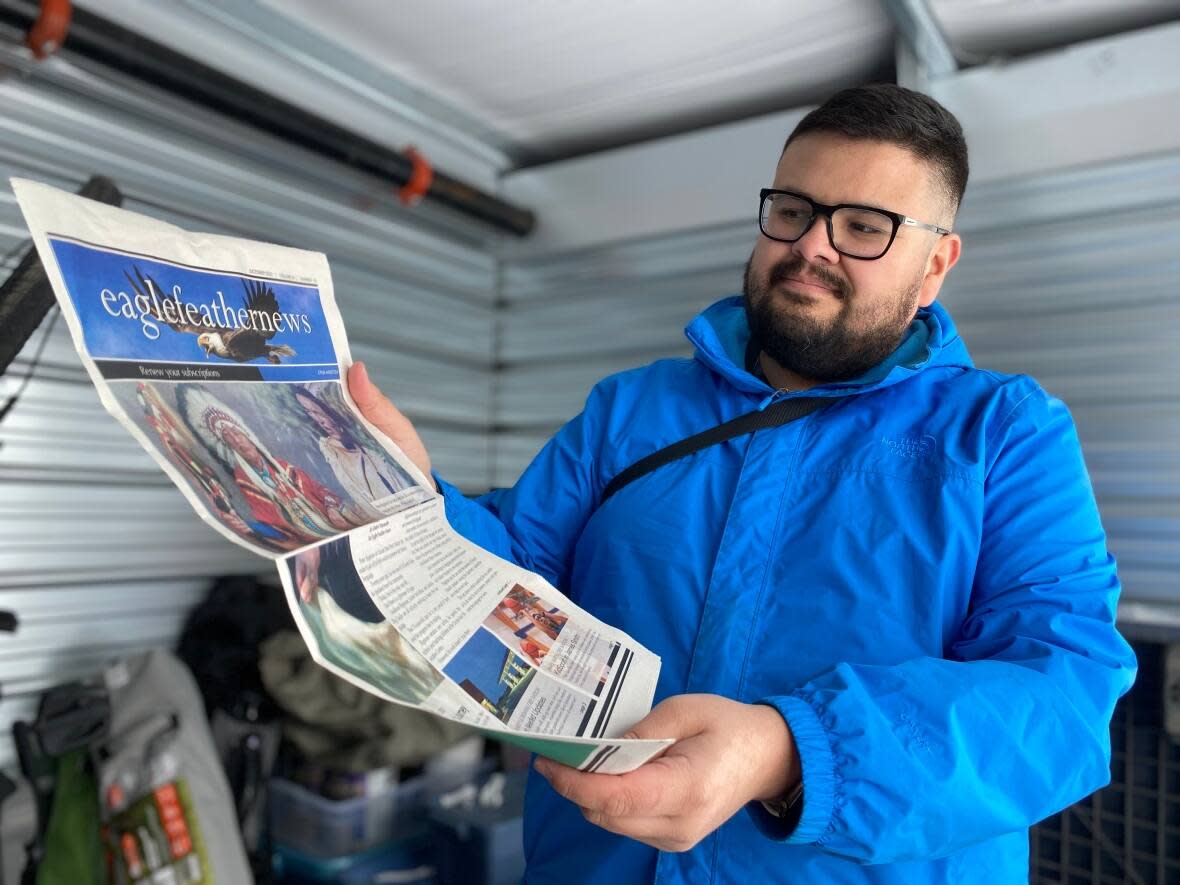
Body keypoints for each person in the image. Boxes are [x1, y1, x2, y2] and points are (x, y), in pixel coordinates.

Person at [348, 84, 1137, 884]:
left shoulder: (1004, 434)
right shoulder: (631, 409)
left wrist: (789, 751)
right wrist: (412, 504)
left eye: (864, 226)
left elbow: (1061, 697)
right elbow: (514, 577)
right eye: (793, 210)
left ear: (934, 265)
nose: (813, 246)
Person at [293, 386, 418, 518]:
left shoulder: (362, 433)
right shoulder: (329, 449)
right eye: (309, 413)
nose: (318, 419)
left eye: (316, 411)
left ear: (326, 406)